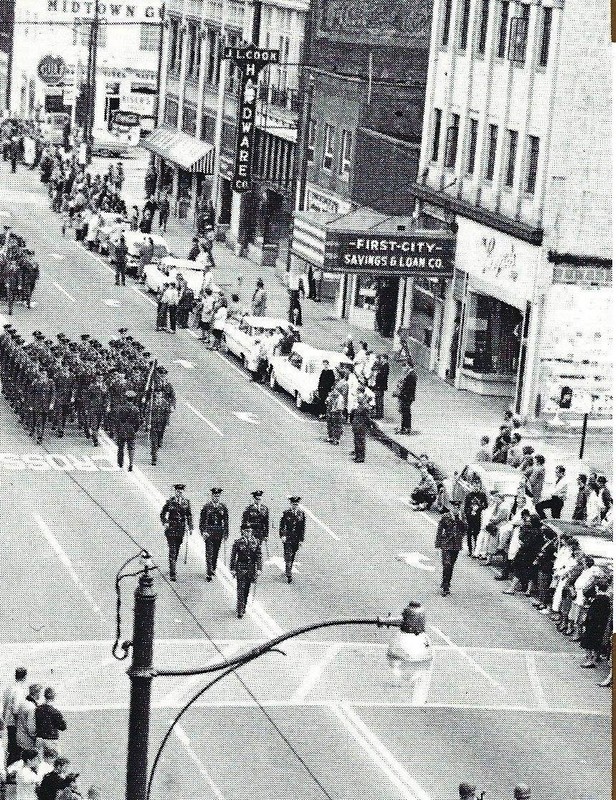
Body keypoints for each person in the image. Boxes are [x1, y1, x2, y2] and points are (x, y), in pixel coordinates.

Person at [160, 484, 194, 581]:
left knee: (177, 549)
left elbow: (189, 515)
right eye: (178, 491)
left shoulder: (186, 502)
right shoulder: (170, 502)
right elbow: (162, 513)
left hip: (181, 530)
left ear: (183, 492)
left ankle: (172, 565)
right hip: (171, 529)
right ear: (175, 491)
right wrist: (165, 522)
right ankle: (172, 573)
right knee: (172, 550)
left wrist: (190, 527)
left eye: (181, 491)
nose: (179, 493)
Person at [230, 525, 262, 618]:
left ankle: (243, 606)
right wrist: (232, 569)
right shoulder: (238, 542)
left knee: (247, 589)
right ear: (243, 532)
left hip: (251, 568)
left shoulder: (256, 542)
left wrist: (259, 568)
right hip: (240, 567)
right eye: (246, 531)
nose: (248, 533)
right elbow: (233, 557)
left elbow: (258, 556)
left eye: (250, 531)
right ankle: (240, 609)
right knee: (240, 589)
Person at [435, 500, 466, 596]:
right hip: (446, 543)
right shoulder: (445, 516)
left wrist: (461, 521)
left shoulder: (462, 517)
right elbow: (439, 530)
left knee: (451, 565)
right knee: (447, 564)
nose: (456, 509)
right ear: (451, 507)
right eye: (454, 507)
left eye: (458, 507)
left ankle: (447, 581)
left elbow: (466, 529)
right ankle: (445, 586)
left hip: (456, 544)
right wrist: (438, 544)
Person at [580, 578, 612, 668]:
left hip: (593, 623)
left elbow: (592, 613)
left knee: (588, 641)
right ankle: (596, 657)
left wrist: (586, 621)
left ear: (597, 587)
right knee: (597, 641)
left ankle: (590, 660)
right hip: (602, 623)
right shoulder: (607, 599)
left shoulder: (598, 599)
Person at [199, 488, 229, 581]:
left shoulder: (223, 507)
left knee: (215, 553)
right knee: (209, 553)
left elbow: (226, 521)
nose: (216, 497)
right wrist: (203, 532)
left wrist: (225, 533)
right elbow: (202, 521)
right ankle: (208, 573)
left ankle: (213, 569)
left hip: (218, 533)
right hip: (209, 533)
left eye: (218, 496)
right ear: (212, 496)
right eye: (215, 496)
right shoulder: (206, 507)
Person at [3, 667, 28, 765]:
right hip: (15, 722)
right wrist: (22, 724)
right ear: (25, 677)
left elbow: (5, 706)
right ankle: (12, 770)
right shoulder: (19, 690)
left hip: (8, 721)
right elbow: (16, 709)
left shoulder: (9, 689)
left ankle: (9, 768)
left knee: (11, 746)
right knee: (16, 748)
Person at [279, 496, 305, 583]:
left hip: (296, 539)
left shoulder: (301, 514)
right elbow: (282, 525)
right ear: (291, 504)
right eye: (294, 504)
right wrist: (282, 535)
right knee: (288, 554)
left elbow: (302, 528)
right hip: (288, 537)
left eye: (296, 504)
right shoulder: (286, 513)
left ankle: (288, 567)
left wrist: (301, 540)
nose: (295, 506)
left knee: (293, 554)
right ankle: (289, 574)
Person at [115, 390, 141, 471]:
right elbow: (138, 422)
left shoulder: (120, 408)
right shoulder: (136, 409)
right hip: (131, 430)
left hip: (122, 430)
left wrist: (117, 430)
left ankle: (120, 463)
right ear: (133, 399)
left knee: (120, 447)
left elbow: (117, 420)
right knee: (131, 447)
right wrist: (134, 430)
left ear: (126, 398)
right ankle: (131, 463)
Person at [462, 477, 488, 556]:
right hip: (470, 517)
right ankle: (470, 549)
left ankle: (476, 549)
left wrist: (479, 508)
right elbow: (465, 507)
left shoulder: (482, 495)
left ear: (479, 487)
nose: (475, 488)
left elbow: (486, 506)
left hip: (479, 517)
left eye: (477, 486)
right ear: (471, 486)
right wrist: (470, 512)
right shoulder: (468, 495)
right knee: (469, 533)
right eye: (474, 486)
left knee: (477, 533)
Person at [16, 685, 41, 756]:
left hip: (20, 736)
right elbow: (31, 727)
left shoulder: (22, 704)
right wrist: (35, 738)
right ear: (37, 693)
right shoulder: (31, 707)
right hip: (27, 740)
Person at [394, 359, 416, 434]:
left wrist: (400, 393)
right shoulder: (410, 374)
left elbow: (408, 388)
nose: (404, 368)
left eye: (405, 366)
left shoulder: (412, 375)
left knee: (406, 412)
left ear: (409, 366)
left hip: (407, 396)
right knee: (404, 412)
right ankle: (404, 427)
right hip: (406, 396)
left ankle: (407, 428)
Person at [149, 391, 171, 466]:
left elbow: (167, 414)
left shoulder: (165, 403)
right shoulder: (151, 402)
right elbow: (147, 413)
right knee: (153, 442)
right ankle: (154, 458)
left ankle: (154, 450)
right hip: (153, 425)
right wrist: (147, 423)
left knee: (158, 442)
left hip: (161, 425)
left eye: (160, 394)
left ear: (161, 395)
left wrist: (167, 424)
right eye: (157, 394)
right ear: (155, 394)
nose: (158, 395)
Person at [351, 387, 371, 463]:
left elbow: (367, 419)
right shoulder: (358, 406)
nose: (358, 399)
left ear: (363, 399)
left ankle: (361, 457)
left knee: (360, 442)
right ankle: (357, 455)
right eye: (358, 398)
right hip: (356, 426)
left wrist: (368, 426)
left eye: (360, 398)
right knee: (356, 441)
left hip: (361, 427)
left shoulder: (364, 408)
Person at [372, 354, 389, 420]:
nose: (381, 360)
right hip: (380, 385)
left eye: (382, 358)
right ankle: (378, 413)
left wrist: (378, 374)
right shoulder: (383, 365)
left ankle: (379, 414)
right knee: (378, 399)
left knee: (379, 399)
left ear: (385, 359)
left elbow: (383, 376)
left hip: (380, 385)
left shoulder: (385, 366)